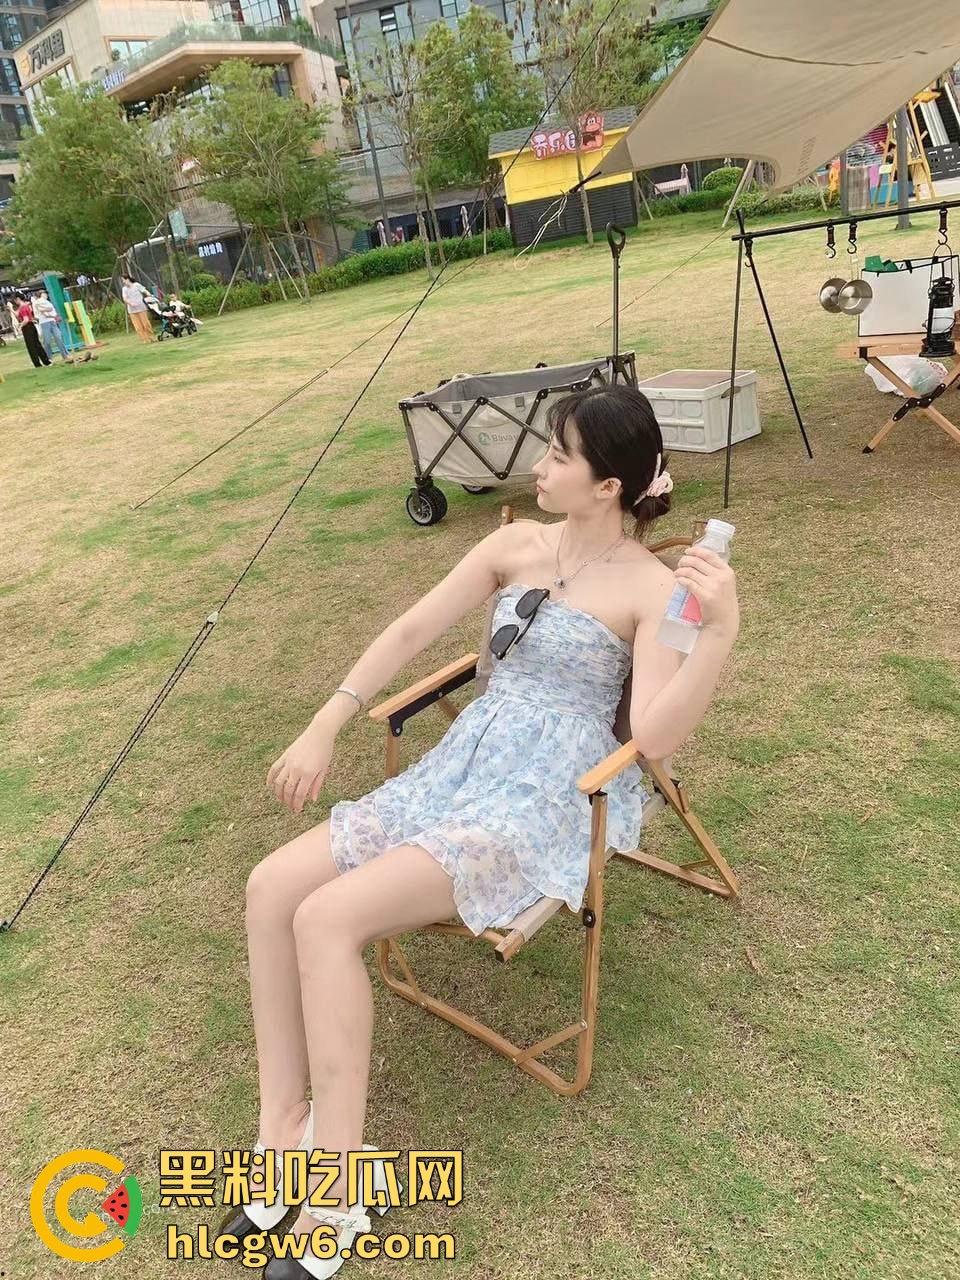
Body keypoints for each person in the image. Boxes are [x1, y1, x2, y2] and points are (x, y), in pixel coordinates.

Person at [221, 383, 740, 1277]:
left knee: (326, 918)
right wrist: (325, 721)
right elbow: (413, 627)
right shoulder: (514, 545)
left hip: (546, 797)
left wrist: (720, 629)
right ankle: (284, 1132)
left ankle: (337, 1191)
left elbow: (655, 737)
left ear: (608, 484)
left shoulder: (654, 589)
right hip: (462, 767)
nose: (538, 466)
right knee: (270, 889)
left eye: (559, 456)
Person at [32, 291, 72, 363]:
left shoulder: (47, 302)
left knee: (58, 337)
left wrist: (55, 316)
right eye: (45, 293)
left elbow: (51, 310)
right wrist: (52, 314)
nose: (46, 295)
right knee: (47, 340)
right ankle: (48, 357)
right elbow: (43, 311)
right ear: (41, 294)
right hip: (44, 322)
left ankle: (65, 355)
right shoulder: (38, 302)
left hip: (52, 321)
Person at [15, 294, 50, 368]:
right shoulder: (24, 306)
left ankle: (37, 363)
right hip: (31, 326)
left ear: (18, 299)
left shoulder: (23, 307)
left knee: (31, 346)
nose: (15, 301)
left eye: (15, 299)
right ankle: (46, 361)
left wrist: (20, 327)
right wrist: (10, 308)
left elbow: (26, 320)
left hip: (27, 327)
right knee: (37, 344)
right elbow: (17, 314)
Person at [120, 274, 155, 343]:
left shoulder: (136, 285)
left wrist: (148, 294)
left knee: (146, 324)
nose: (123, 282)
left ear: (127, 279)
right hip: (132, 310)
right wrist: (130, 303)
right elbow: (125, 298)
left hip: (141, 308)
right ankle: (144, 339)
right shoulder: (124, 289)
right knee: (138, 327)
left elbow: (144, 290)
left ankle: (151, 337)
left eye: (123, 280)